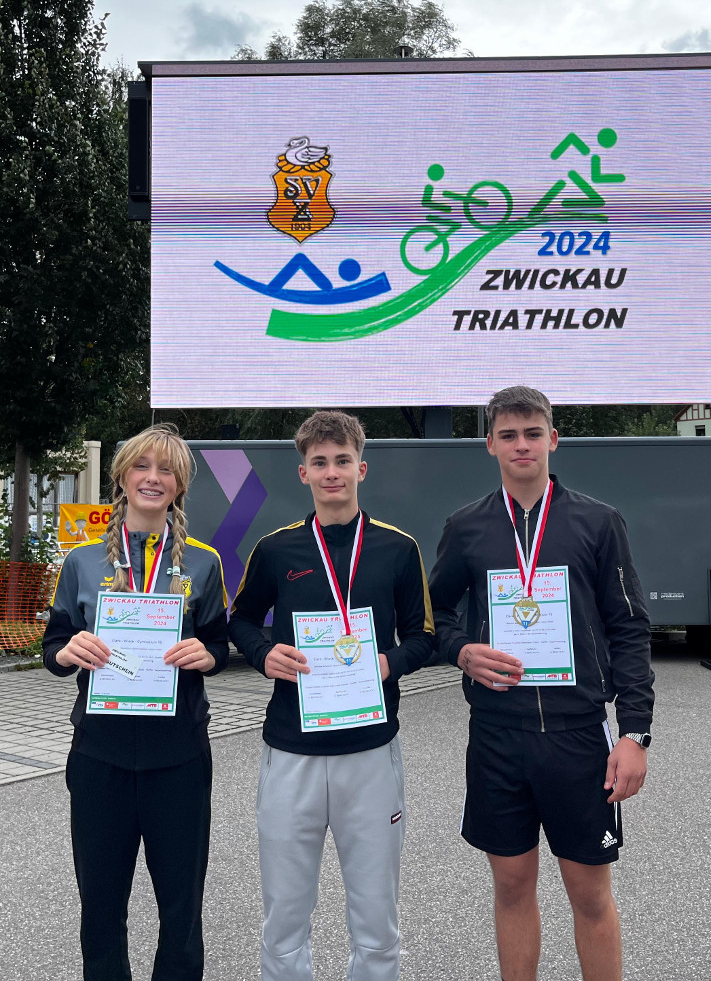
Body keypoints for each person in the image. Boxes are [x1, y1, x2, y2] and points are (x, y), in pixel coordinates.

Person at [428, 386, 655, 981]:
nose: (521, 445)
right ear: (490, 445)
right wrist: (461, 651)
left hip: (577, 734)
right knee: (510, 886)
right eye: (508, 435)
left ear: (553, 439)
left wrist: (635, 733)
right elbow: (434, 612)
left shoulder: (598, 522)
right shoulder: (467, 526)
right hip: (497, 733)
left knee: (589, 893)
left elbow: (629, 627)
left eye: (533, 433)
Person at [229, 410, 434, 981]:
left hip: (370, 751)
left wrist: (389, 662)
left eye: (343, 461)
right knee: (285, 916)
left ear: (361, 468)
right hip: (291, 750)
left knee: (376, 918)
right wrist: (263, 653)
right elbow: (239, 619)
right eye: (319, 463)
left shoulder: (398, 548)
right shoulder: (276, 550)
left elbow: (425, 636)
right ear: (304, 473)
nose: (331, 472)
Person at [41, 424, 230, 981]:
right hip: (100, 756)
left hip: (179, 757)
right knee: (101, 908)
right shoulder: (81, 562)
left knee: (181, 909)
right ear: (121, 477)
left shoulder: (203, 562)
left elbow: (219, 644)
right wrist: (67, 652)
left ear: (180, 485)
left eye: (166, 469)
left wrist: (208, 655)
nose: (153, 478)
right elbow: (53, 646)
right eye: (141, 467)